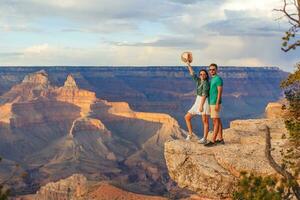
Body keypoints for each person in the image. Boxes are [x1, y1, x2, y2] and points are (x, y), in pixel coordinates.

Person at [184, 61, 210, 144]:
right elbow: (192, 73)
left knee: (205, 121)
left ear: (206, 76)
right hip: (197, 101)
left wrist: (201, 106)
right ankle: (191, 134)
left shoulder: (206, 83)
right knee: (187, 117)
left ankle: (204, 138)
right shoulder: (199, 81)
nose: (202, 75)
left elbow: (204, 95)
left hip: (204, 102)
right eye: (201, 74)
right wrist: (188, 64)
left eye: (204, 74)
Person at [204, 63, 225, 147]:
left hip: (214, 103)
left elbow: (220, 92)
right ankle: (220, 139)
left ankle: (213, 140)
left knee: (215, 121)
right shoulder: (212, 79)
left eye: (213, 69)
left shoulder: (218, 79)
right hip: (211, 102)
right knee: (218, 120)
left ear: (216, 70)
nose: (212, 71)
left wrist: (217, 103)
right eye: (210, 69)